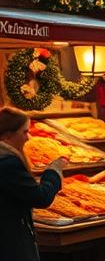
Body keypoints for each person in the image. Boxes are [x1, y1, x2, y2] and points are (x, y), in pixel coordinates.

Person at [0, 107, 66, 261]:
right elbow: (41, 197)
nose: (28, 137)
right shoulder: (7, 163)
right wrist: (54, 171)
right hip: (10, 242)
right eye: (24, 132)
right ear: (8, 136)